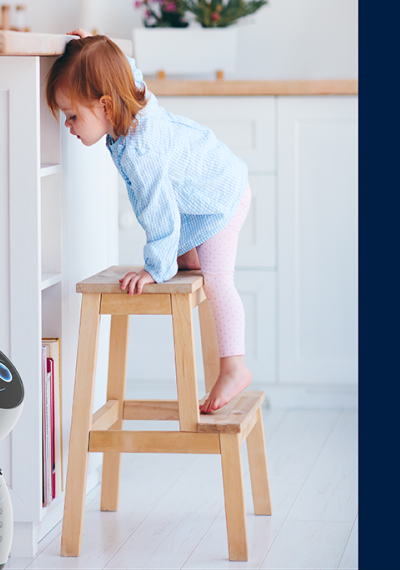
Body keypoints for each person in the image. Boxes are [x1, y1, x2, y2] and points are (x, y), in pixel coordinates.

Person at [46, 30, 252, 413]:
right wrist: (93, 42)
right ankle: (189, 257)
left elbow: (160, 213)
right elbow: (127, 69)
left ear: (105, 106)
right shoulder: (131, 96)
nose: (68, 125)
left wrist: (156, 268)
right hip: (204, 191)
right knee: (193, 262)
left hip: (223, 197)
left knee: (219, 278)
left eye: (73, 116)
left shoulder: (141, 150)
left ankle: (234, 366)